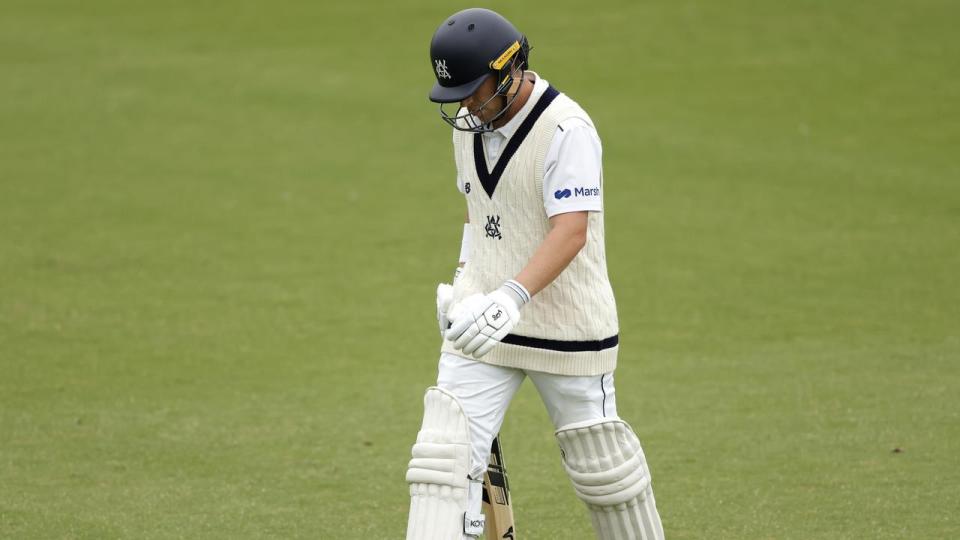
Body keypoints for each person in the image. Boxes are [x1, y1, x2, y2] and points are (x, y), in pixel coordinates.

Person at [405, 8, 665, 540]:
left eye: (476, 91)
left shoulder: (567, 129)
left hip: (566, 324)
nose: (468, 107)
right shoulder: (471, 125)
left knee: (603, 468)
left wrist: (512, 297)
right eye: (459, 96)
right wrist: (464, 282)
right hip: (482, 320)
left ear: (512, 68)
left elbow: (571, 231)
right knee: (442, 460)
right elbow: (477, 212)